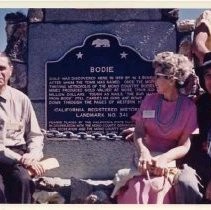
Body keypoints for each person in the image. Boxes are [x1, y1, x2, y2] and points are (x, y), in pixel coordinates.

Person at [113, 52, 200, 204]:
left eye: (158, 76)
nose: (154, 80)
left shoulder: (189, 108)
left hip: (169, 162)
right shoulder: (149, 100)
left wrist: (165, 158)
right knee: (138, 187)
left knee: (159, 188)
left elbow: (185, 145)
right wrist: (144, 152)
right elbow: (139, 131)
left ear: (171, 79)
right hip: (143, 160)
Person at [0, 52, 45, 203]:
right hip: (8, 155)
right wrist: (23, 160)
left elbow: (35, 135)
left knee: (23, 181)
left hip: (17, 153)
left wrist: (33, 155)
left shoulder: (21, 100)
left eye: (2, 68)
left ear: (10, 70)